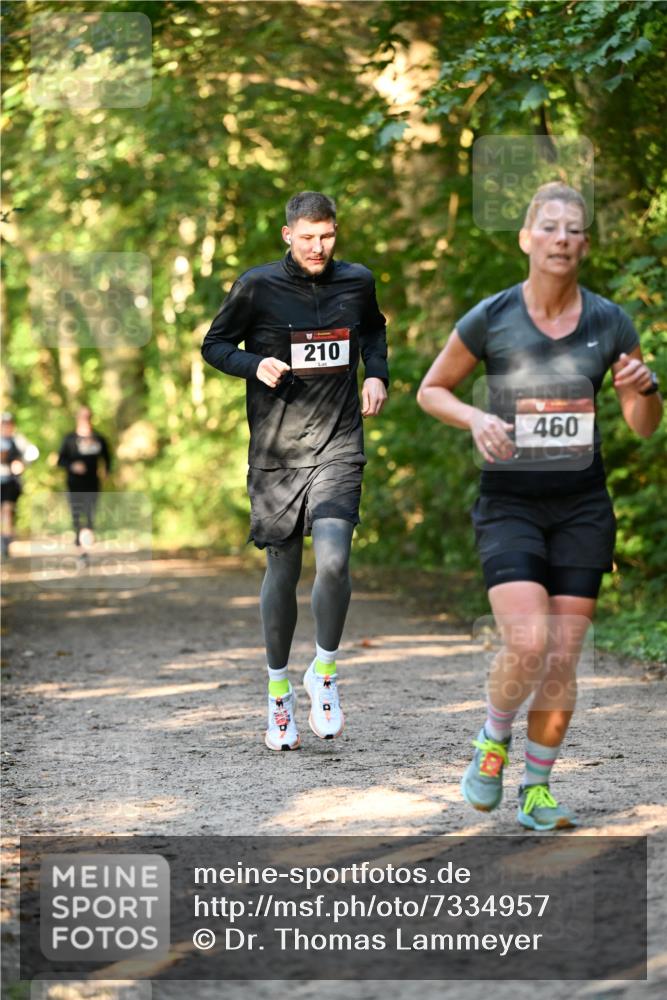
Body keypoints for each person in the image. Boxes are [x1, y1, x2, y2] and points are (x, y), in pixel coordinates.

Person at [417, 181, 662, 830]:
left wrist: (643, 387)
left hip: (582, 507)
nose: (561, 238)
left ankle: (536, 787)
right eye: (548, 227)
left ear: (583, 244)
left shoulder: (609, 322)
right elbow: (431, 390)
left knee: (561, 656)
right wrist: (473, 416)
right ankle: (492, 741)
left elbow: (642, 423)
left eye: (573, 229)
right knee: (526, 642)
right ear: (526, 238)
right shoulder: (492, 317)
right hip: (509, 505)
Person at [202, 191, 389, 750]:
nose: (318, 246)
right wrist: (252, 362)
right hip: (277, 453)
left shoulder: (357, 281)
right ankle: (279, 691)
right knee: (282, 572)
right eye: (307, 237)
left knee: (334, 559)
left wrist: (376, 373)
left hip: (339, 444)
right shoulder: (257, 286)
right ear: (288, 235)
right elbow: (214, 344)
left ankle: (325, 674)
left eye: (327, 235)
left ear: (336, 232)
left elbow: (373, 331)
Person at [58, 406, 111, 562]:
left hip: (92, 483)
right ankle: (80, 545)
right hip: (74, 484)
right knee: (76, 515)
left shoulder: (98, 438)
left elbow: (107, 458)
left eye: (87, 417)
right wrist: (72, 466)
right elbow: (60, 460)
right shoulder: (69, 439)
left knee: (89, 514)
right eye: (82, 417)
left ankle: (84, 550)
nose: (85, 420)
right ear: (77, 418)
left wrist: (106, 471)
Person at [1, 412, 39, 558]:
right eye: (4, 424)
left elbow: (32, 452)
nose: (6, 427)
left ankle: (5, 540)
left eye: (8, 424)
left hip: (11, 481)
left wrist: (22, 463)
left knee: (6, 509)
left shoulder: (17, 440)